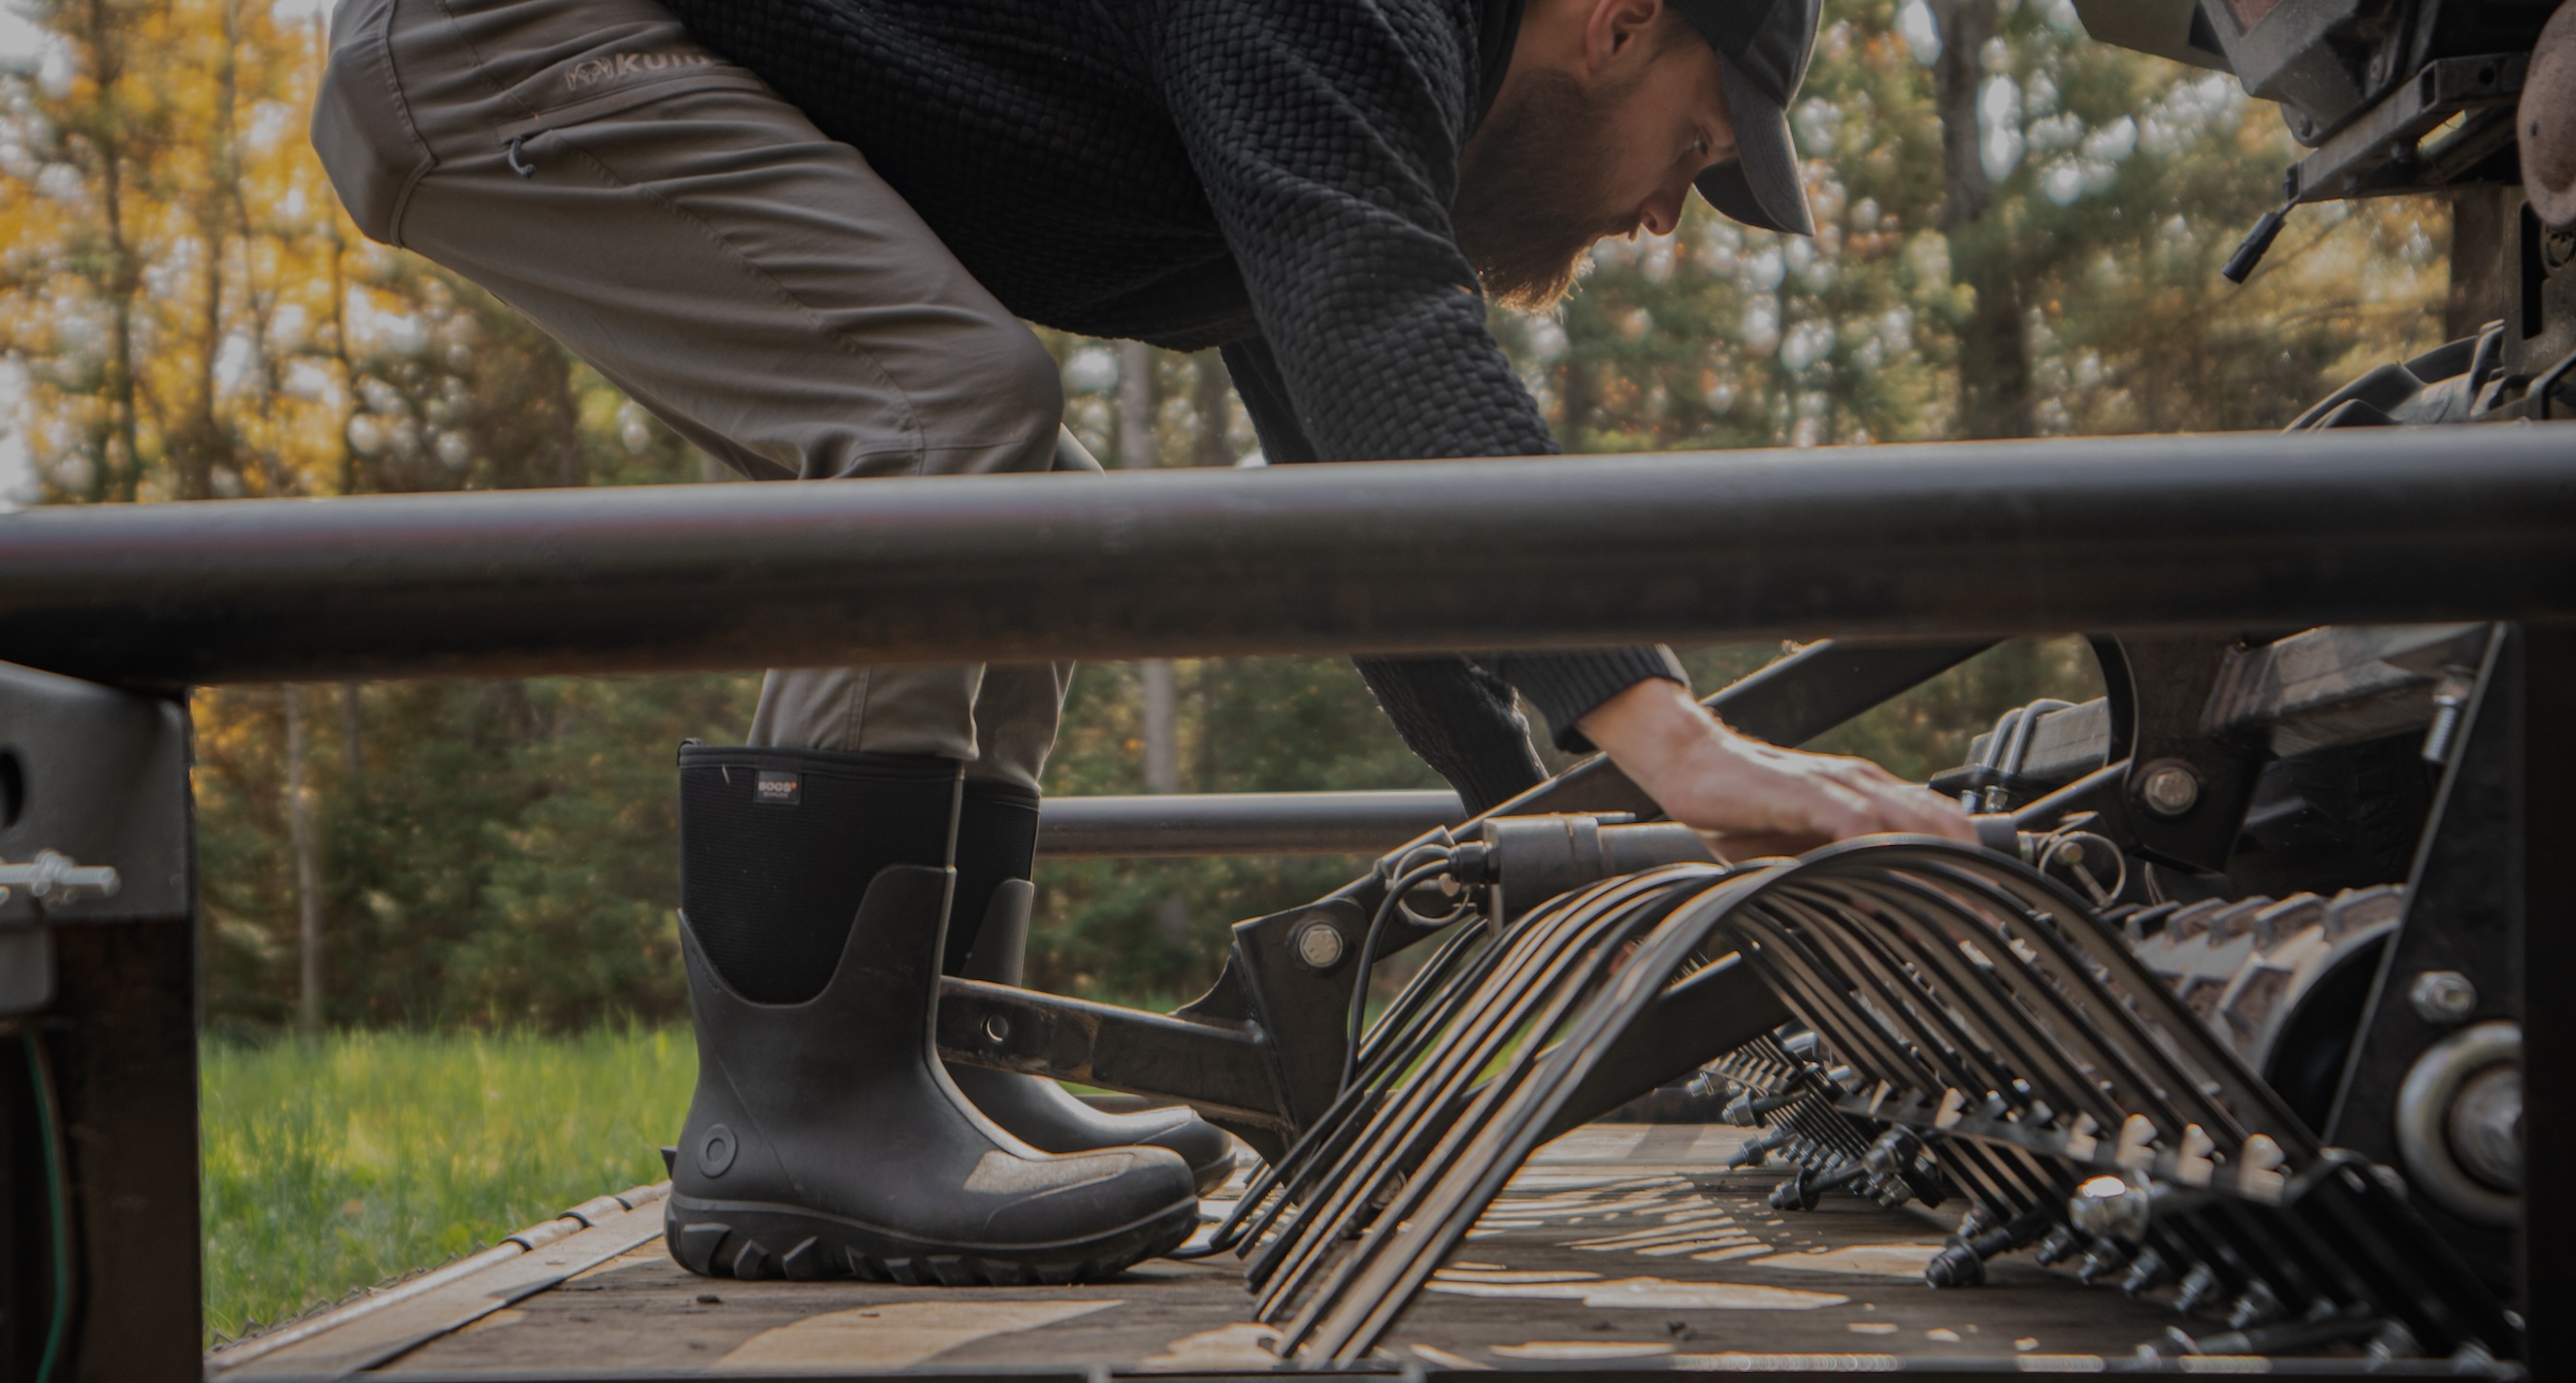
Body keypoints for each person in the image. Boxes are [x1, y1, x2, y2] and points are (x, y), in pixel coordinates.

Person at [311, 0, 1975, 1286]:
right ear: (1618, 21)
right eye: (1693, 152)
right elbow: (1384, 334)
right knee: (943, 412)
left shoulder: (1350, 97)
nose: (1668, 221)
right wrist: (1678, 736)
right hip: (513, 40)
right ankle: (802, 1108)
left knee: (1021, 481)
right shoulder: (1354, 18)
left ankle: (941, 1051)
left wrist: (1568, 820)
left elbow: (1361, 488)